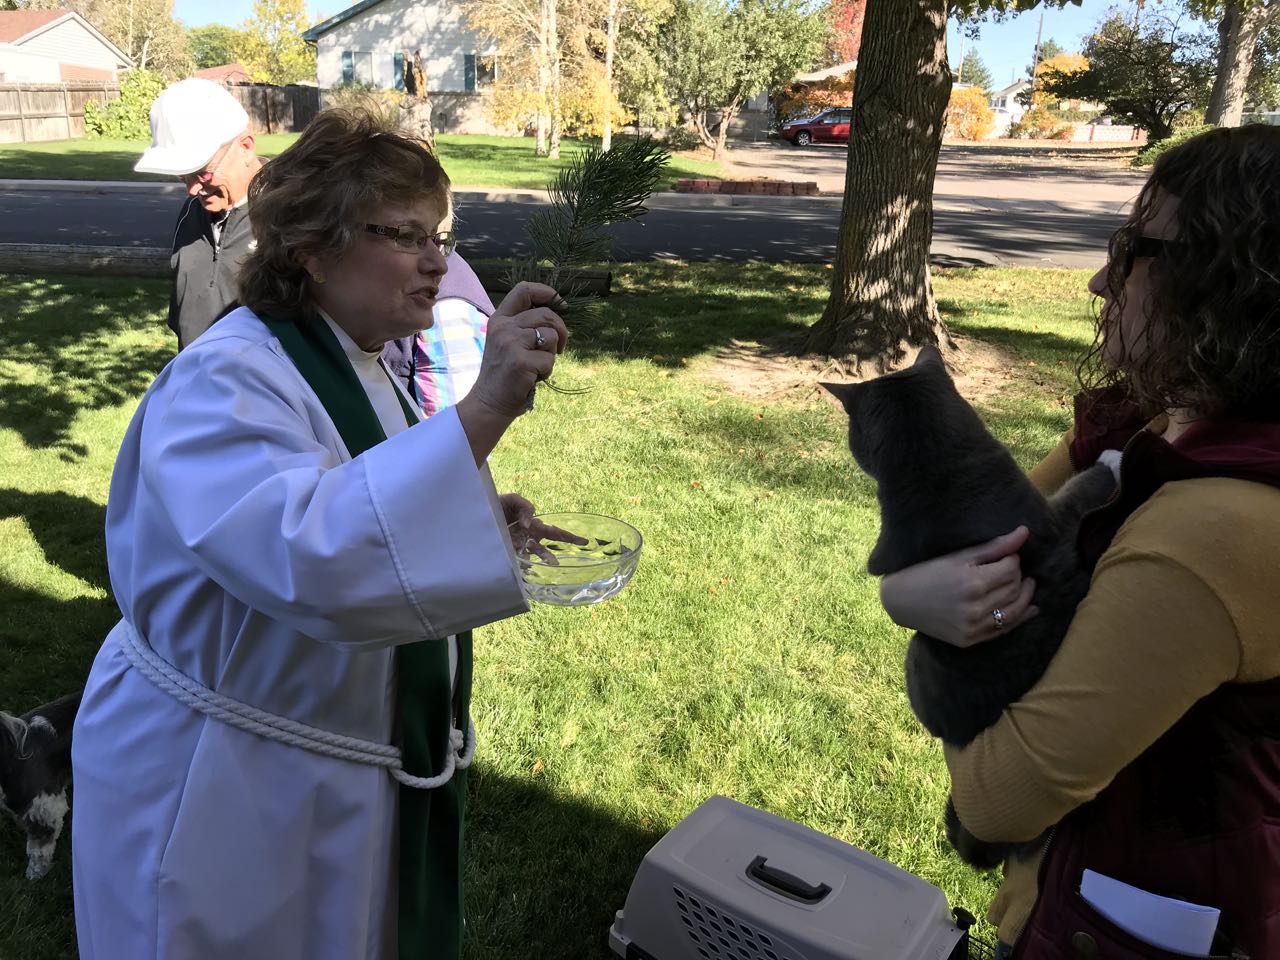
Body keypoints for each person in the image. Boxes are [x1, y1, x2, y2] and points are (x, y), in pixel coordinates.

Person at [71, 108, 573, 960]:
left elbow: (354, 487)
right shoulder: (225, 379)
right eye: (406, 236)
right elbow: (307, 551)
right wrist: (485, 409)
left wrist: (472, 513)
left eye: (441, 235)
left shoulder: (354, 352)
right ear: (312, 246)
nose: (439, 263)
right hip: (224, 784)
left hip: (312, 766)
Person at [878, 125, 1280, 958]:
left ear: (1230, 279)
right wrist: (903, 593)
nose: (1102, 281)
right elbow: (977, 550)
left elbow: (995, 802)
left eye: (1133, 250)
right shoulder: (1152, 423)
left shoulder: (1216, 529)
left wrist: (947, 649)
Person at [135, 78, 264, 350]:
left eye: (202, 171)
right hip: (197, 380)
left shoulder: (294, 214)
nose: (192, 189)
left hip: (267, 388)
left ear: (245, 147)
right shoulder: (192, 212)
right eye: (183, 175)